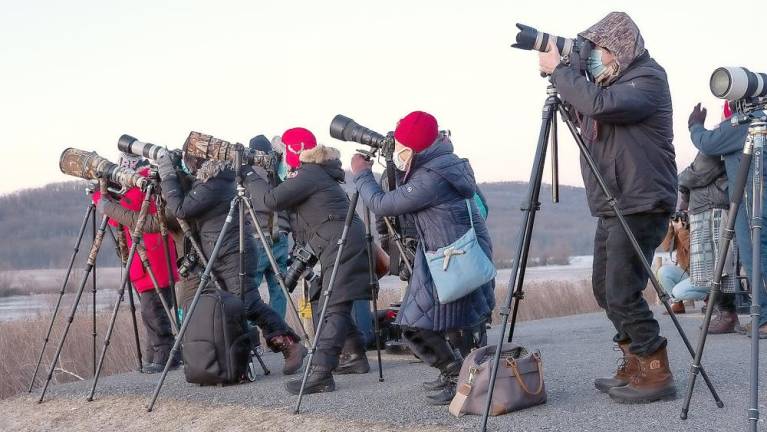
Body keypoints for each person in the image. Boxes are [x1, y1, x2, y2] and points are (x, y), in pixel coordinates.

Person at [538, 11, 677, 403]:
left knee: (621, 290)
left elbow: (599, 105)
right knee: (604, 289)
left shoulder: (648, 79)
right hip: (615, 202)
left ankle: (655, 369)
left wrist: (562, 74)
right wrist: (569, 87)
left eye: (599, 48)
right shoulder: (611, 84)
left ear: (619, 48)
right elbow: (593, 108)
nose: (594, 55)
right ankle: (634, 360)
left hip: (640, 200)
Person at [351, 110, 495, 405]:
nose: (399, 154)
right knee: (449, 324)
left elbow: (382, 204)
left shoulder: (431, 177)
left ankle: (457, 375)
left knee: (414, 325)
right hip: (447, 255)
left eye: (402, 148)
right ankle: (457, 376)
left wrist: (362, 174)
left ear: (413, 148)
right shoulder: (444, 165)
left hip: (447, 258)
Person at [243, 127, 372, 394]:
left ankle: (321, 373)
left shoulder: (309, 174)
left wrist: (247, 173)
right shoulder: (313, 173)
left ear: (293, 152)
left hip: (339, 241)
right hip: (335, 240)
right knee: (327, 299)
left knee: (332, 304)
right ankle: (356, 355)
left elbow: (270, 200)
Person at [156, 146, 307, 374]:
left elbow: (180, 209)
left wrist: (168, 175)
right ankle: (244, 357)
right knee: (241, 304)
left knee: (246, 304)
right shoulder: (214, 181)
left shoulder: (214, 183)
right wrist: (174, 176)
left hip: (232, 254)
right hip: (226, 253)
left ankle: (290, 344)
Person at [93, 153, 180, 374]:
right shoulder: (149, 184)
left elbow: (117, 217)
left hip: (150, 260)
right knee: (156, 310)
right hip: (156, 259)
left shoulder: (140, 187)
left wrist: (99, 198)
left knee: (153, 311)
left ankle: (165, 355)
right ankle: (156, 354)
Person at [689, 101, 767, 338]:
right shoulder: (761, 120)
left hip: (751, 198)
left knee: (755, 256)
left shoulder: (745, 123)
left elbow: (708, 143)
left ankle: (764, 318)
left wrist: (695, 125)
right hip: (759, 194)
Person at [247, 135, 290, 318]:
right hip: (280, 237)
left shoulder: (246, 175)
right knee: (279, 290)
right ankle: (280, 339)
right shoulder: (279, 172)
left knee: (250, 291)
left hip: (257, 238)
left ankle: (251, 340)